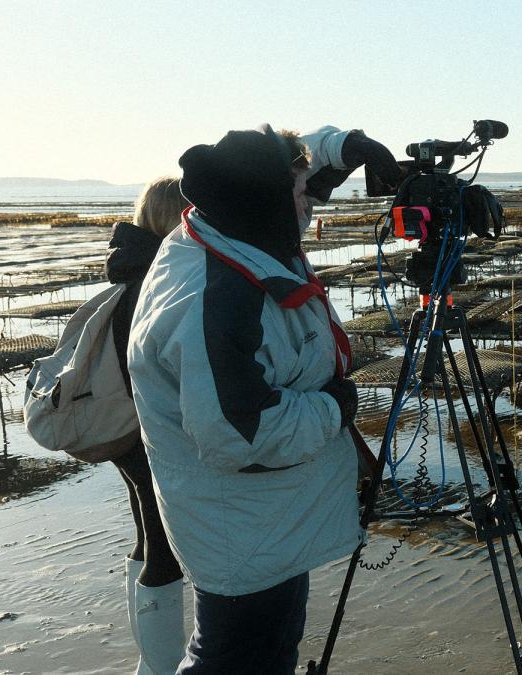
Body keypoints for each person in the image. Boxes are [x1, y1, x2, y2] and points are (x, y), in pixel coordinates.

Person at [127, 123, 400, 674]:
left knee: (268, 654)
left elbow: (286, 171)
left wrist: (344, 147)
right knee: (232, 661)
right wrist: (337, 407)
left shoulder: (234, 227)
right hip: (242, 533)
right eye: (299, 193)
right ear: (269, 201)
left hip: (265, 519)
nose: (310, 204)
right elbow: (240, 433)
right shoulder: (213, 294)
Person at [107, 177, 190, 674]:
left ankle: (151, 663)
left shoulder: (132, 267)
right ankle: (159, 667)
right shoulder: (153, 279)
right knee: (163, 548)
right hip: (147, 431)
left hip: (125, 431)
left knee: (149, 537)